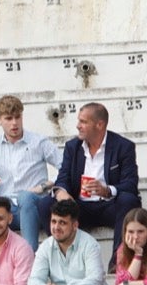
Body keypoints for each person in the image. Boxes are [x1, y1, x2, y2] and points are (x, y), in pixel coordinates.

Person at [0, 96, 59, 249]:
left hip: (32, 207)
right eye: (8, 118)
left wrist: (45, 186)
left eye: (17, 117)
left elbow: (65, 169)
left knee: (26, 197)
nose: (14, 123)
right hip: (5, 208)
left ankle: (29, 257)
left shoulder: (40, 142)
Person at [50, 103, 141, 252]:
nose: (78, 126)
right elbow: (63, 177)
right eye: (79, 121)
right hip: (79, 207)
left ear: (99, 124)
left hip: (109, 206)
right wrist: (61, 193)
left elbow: (130, 184)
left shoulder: (123, 146)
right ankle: (62, 256)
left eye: (83, 122)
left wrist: (107, 190)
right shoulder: (72, 147)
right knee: (45, 204)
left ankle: (118, 262)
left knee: (129, 200)